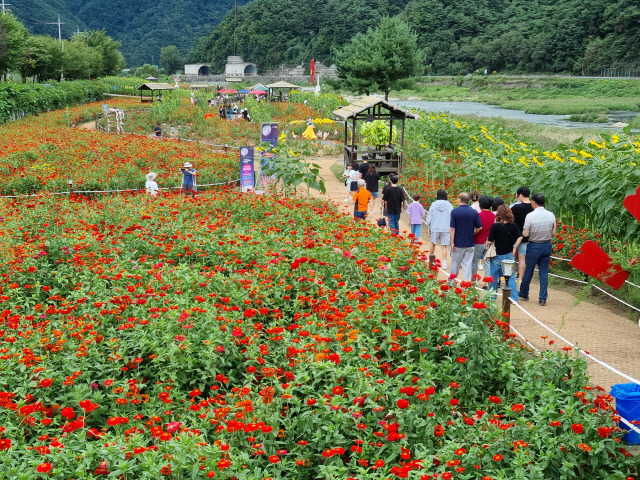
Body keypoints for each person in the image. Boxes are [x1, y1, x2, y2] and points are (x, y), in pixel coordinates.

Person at [518, 193, 556, 306]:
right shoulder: (551, 215)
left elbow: (525, 232)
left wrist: (526, 234)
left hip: (534, 245)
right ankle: (543, 298)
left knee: (529, 269)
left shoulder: (530, 216)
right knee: (543, 271)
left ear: (534, 202)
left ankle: (524, 293)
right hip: (547, 245)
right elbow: (554, 232)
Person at [486, 205, 522, 302]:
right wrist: (515, 247)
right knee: (510, 277)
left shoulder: (495, 226)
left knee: (493, 276)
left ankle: (492, 297)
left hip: (497, 255)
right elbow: (520, 237)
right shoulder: (513, 225)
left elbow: (490, 241)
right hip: (510, 254)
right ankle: (514, 298)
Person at [449, 192, 482, 285]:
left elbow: (452, 228)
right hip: (470, 243)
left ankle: (452, 284)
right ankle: (466, 286)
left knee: (455, 264)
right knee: (467, 265)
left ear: (459, 200)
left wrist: (452, 242)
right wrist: (473, 232)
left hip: (458, 243)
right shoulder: (474, 212)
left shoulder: (455, 212)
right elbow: (479, 227)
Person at [510, 187, 534, 282]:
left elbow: (510, 220)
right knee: (524, 258)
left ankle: (512, 277)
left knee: (515, 257)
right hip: (530, 237)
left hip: (516, 236)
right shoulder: (533, 207)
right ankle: (521, 278)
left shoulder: (516, 207)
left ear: (520, 195)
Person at [427, 189, 454, 269]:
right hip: (445, 228)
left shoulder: (433, 204)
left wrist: (429, 227)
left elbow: (429, 217)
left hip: (435, 227)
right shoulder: (449, 205)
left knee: (433, 243)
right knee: (444, 246)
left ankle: (431, 261)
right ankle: (444, 263)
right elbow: (452, 216)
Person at [472, 195, 495, 279]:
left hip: (478, 241)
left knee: (474, 262)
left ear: (480, 205)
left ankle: (473, 280)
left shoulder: (478, 215)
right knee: (487, 262)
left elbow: (475, 228)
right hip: (489, 242)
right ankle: (487, 281)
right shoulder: (493, 216)